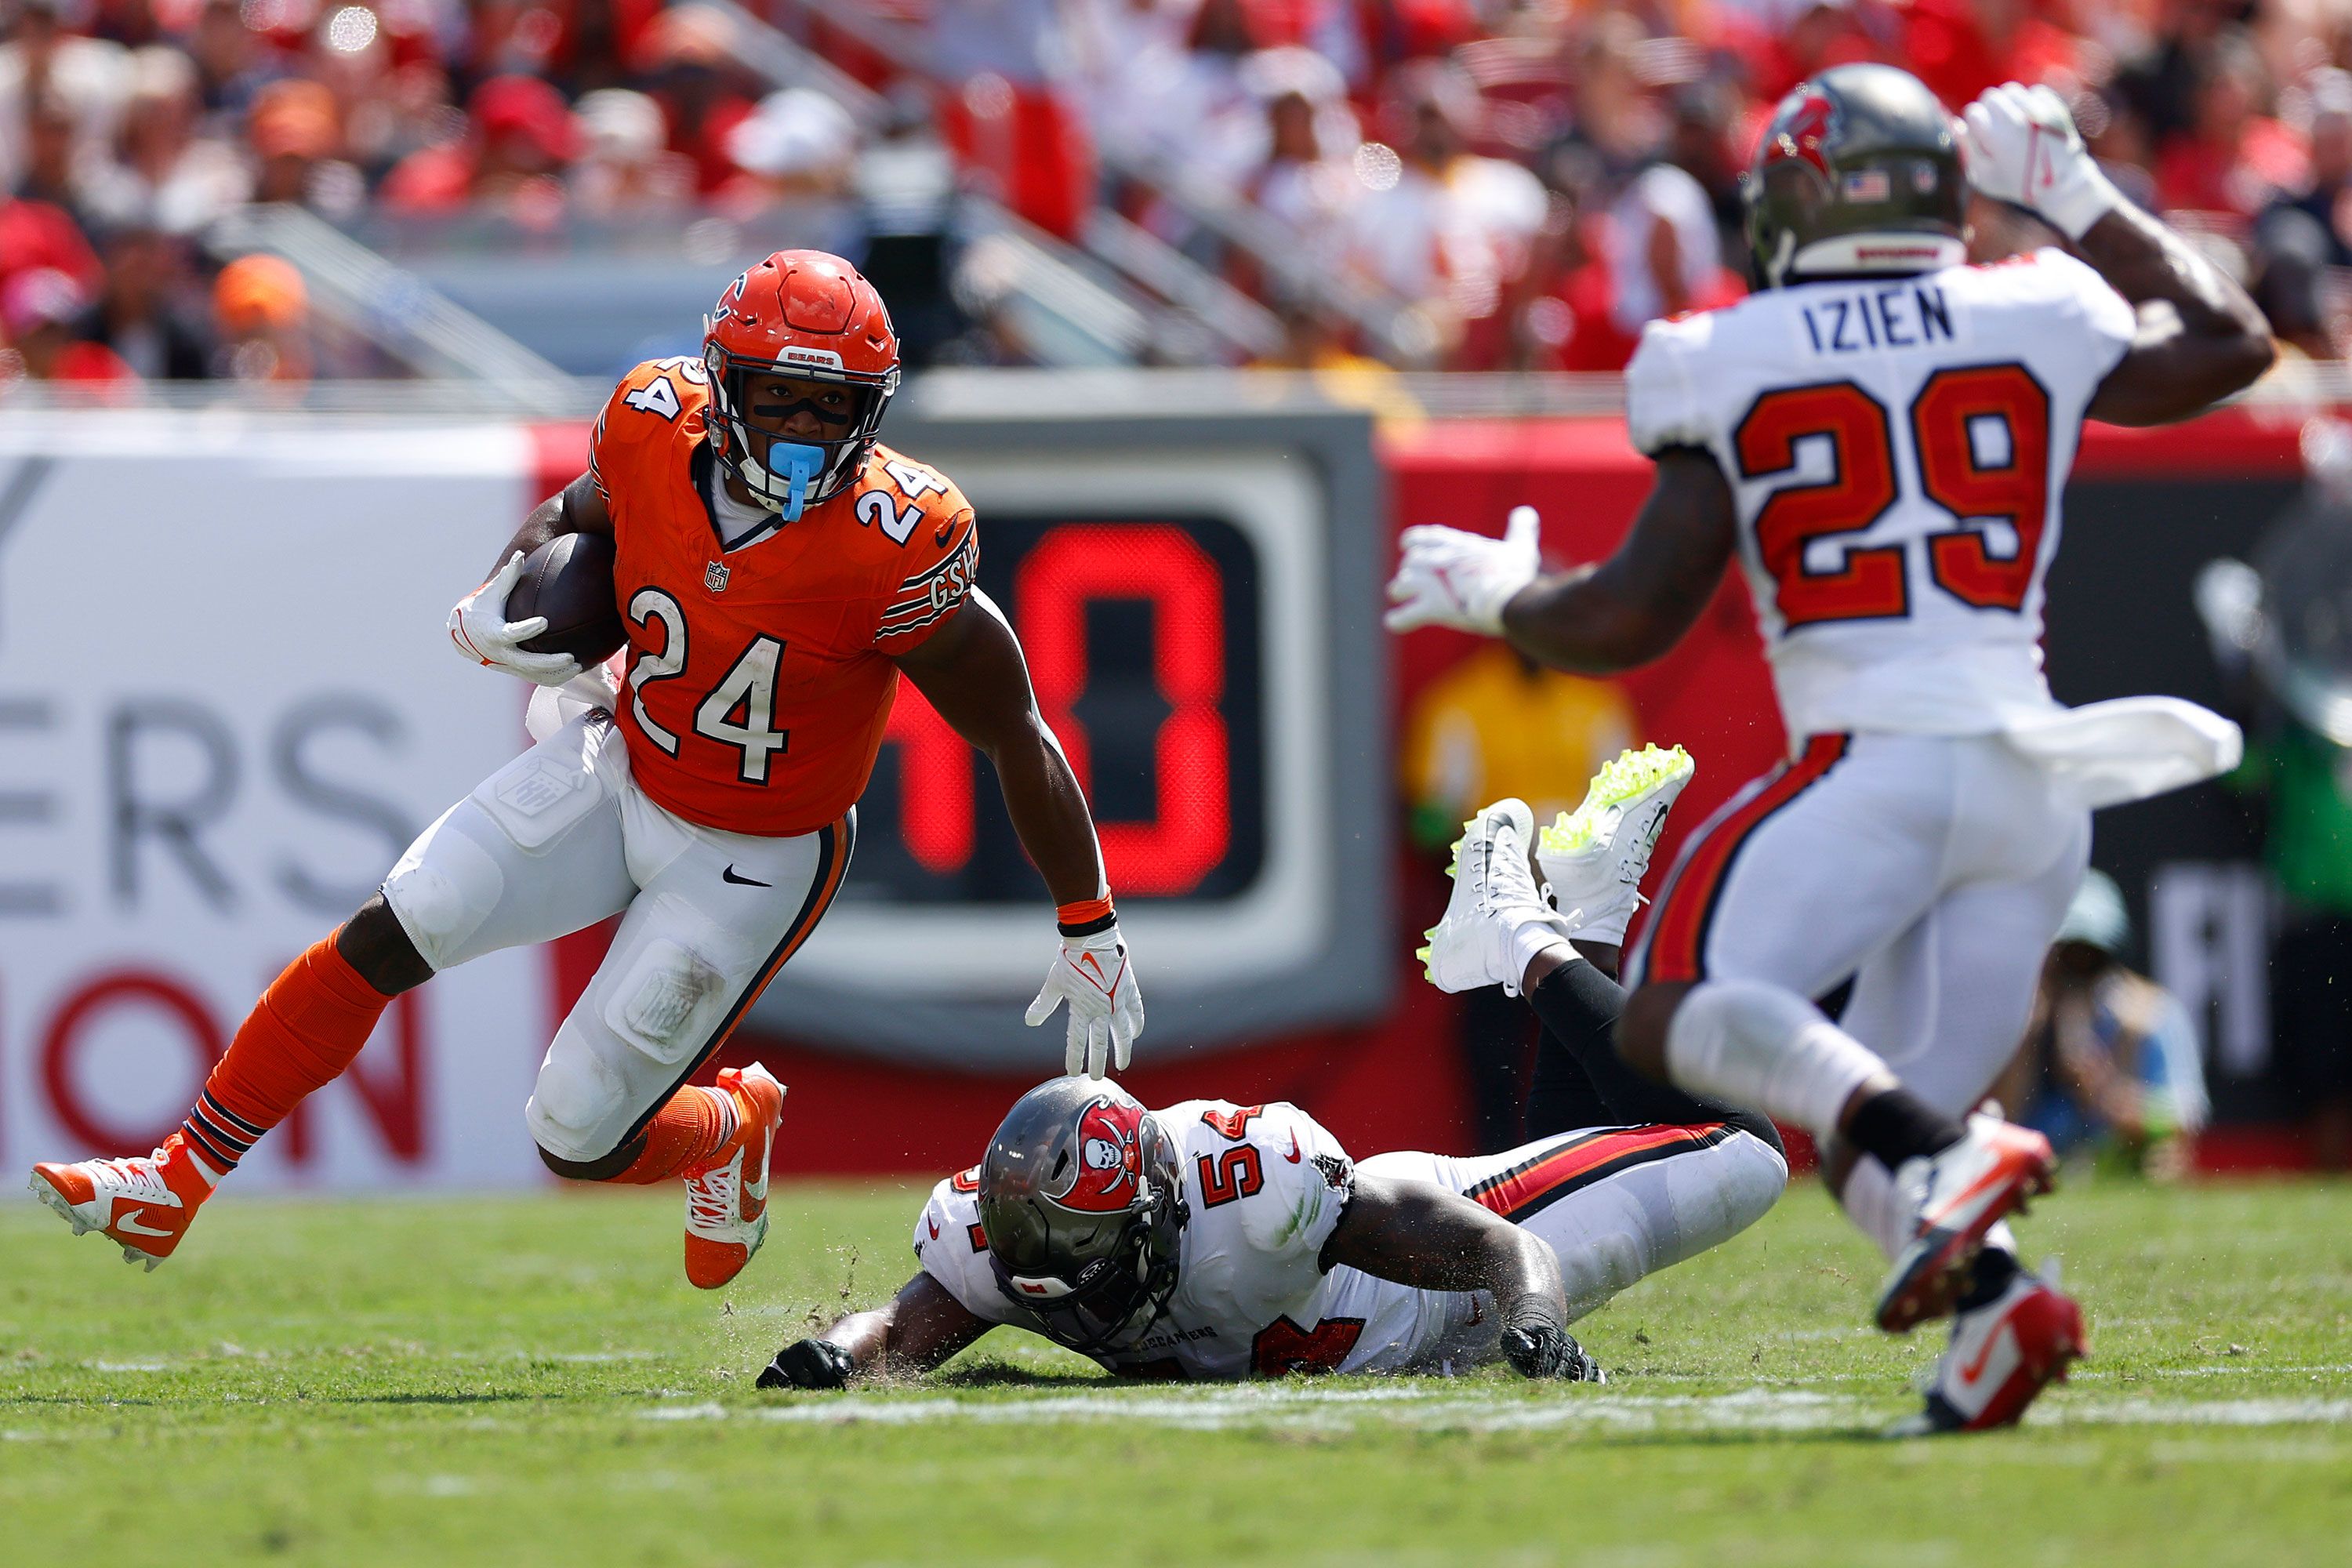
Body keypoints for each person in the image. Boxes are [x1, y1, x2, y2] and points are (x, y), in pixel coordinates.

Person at [1383, 68, 2274, 1432]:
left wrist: (1500, 595)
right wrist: (2076, 193)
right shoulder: (2035, 302)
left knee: (1685, 1019)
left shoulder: (1728, 349)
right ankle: (1999, 1314)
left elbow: (1628, 616)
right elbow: (2227, 343)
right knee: (1868, 1128)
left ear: (1795, 202)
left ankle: (1949, 1153)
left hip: (1879, 764)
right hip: (2040, 792)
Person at [29, 249, 1149, 1290]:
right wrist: (503, 587)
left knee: (574, 1135)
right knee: (401, 918)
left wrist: (1086, 917)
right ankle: (174, 1179)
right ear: (725, 384)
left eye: (834, 405)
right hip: (618, 756)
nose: (806, 428)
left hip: (755, 852)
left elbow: (1012, 726)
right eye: (781, 397)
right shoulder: (654, 421)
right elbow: (576, 519)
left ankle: (730, 1126)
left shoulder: (899, 534)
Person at [757, 750, 1786, 1388]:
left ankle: (1520, 937)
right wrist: (832, 1361)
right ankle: (1592, 919)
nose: (1081, 1305)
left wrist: (1531, 1324)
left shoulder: (1253, 1182)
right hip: (1397, 1324)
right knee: (1623, 1129)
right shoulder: (1015, 1233)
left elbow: (1503, 1252)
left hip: (1444, 1297)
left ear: (1158, 1213)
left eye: (1096, 1264)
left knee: (1747, 1151)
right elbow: (904, 1326)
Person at [1994, 870, 2209, 1180]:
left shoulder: (2150, 1014)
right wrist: (2025, 1042)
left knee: (2164, 1160)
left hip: (2123, 1168)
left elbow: (2185, 1117)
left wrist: (2106, 1093)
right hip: (2037, 1172)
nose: (2078, 969)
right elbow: (1995, 1124)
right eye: (2068, 955)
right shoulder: (2022, 1016)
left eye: (2091, 956)